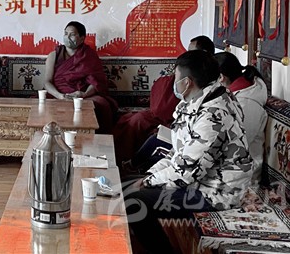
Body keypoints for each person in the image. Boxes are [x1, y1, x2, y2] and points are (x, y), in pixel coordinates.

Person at [125, 50, 252, 254]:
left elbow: (185, 173)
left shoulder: (213, 115)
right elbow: (178, 153)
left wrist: (147, 182)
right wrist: (149, 176)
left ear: (187, 82)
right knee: (127, 184)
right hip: (200, 181)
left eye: (175, 78)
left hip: (217, 193)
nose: (173, 83)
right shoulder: (201, 100)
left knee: (134, 202)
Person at [113, 35, 215, 163]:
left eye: (191, 51)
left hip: (175, 123)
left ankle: (131, 165)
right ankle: (124, 161)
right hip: (168, 117)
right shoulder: (186, 72)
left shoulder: (208, 89)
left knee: (147, 131)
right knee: (134, 121)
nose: (187, 55)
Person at [43, 21, 118, 133]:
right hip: (58, 94)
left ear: (82, 38)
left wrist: (84, 94)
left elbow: (96, 82)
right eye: (65, 33)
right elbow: (47, 82)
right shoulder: (54, 55)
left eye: (72, 34)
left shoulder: (89, 56)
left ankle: (98, 139)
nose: (67, 37)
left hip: (82, 96)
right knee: (39, 104)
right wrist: (60, 96)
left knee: (102, 104)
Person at [215, 52, 268, 184]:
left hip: (239, 176)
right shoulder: (231, 96)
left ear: (221, 78)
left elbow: (238, 145)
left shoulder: (247, 104)